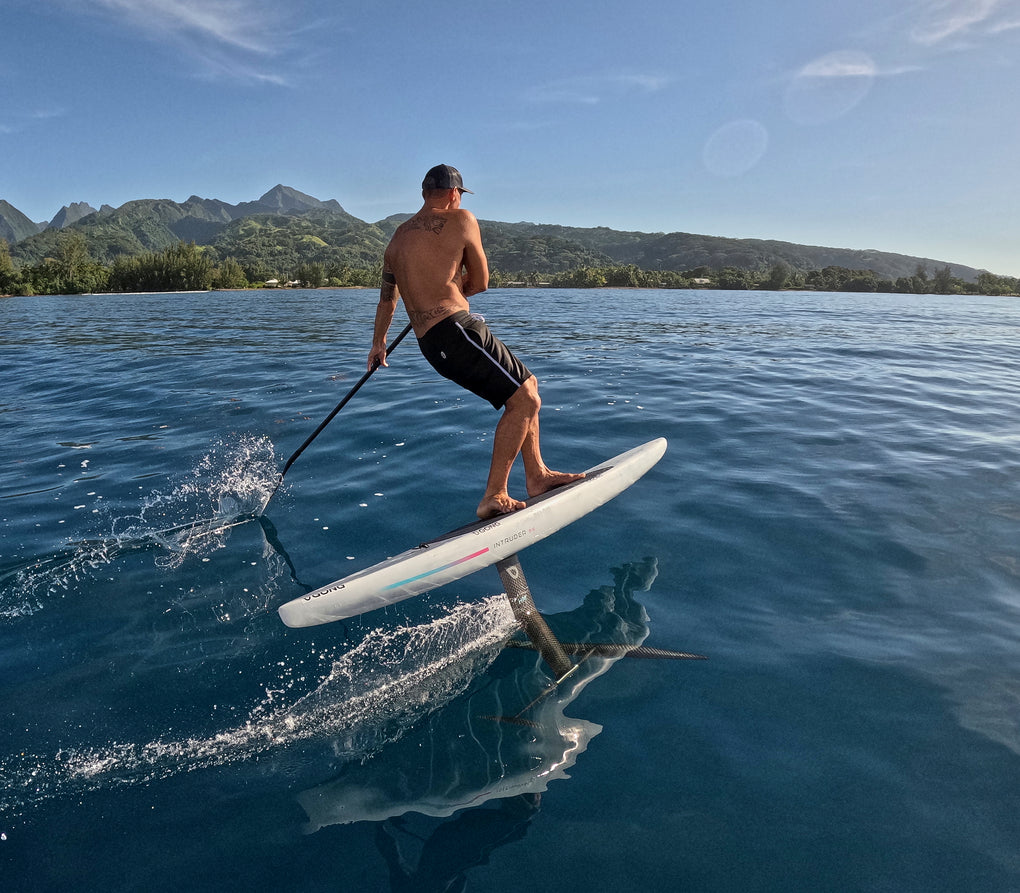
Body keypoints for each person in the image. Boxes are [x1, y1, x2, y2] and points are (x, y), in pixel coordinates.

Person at [369, 164, 583, 520]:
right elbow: (482, 281)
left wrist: (379, 344)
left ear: (424, 194)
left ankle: (537, 475)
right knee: (525, 399)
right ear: (455, 193)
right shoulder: (462, 219)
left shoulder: (396, 240)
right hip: (457, 330)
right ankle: (495, 494)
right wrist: (454, 288)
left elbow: (387, 299)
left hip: (431, 344)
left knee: (528, 386)